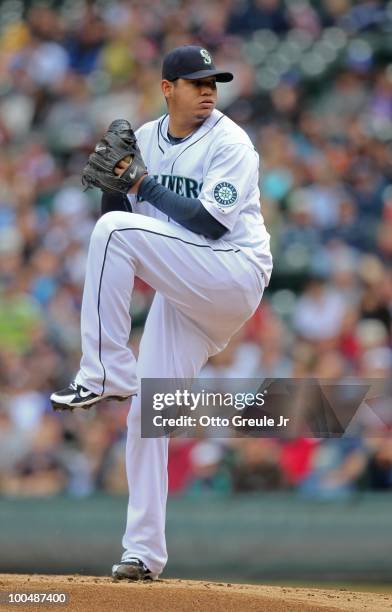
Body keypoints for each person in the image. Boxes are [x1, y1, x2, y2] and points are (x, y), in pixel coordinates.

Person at [50, 45, 273, 580]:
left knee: (110, 234)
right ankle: (143, 554)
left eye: (213, 82)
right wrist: (116, 185)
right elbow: (120, 215)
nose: (208, 91)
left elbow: (211, 225)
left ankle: (104, 371)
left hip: (233, 271)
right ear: (167, 88)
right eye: (196, 82)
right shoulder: (146, 140)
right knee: (149, 415)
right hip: (187, 292)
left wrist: (139, 183)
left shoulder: (230, 142)